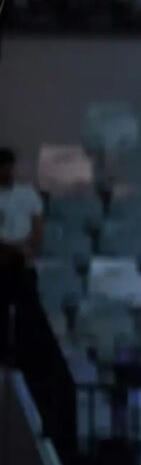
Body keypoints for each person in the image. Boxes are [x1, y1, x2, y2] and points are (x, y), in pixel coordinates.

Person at [0, 147, 44, 360]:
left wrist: (25, 248)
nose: (7, 172)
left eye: (9, 167)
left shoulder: (28, 193)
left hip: (24, 262)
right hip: (2, 262)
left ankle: (25, 355)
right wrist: (11, 248)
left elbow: (38, 230)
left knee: (27, 313)